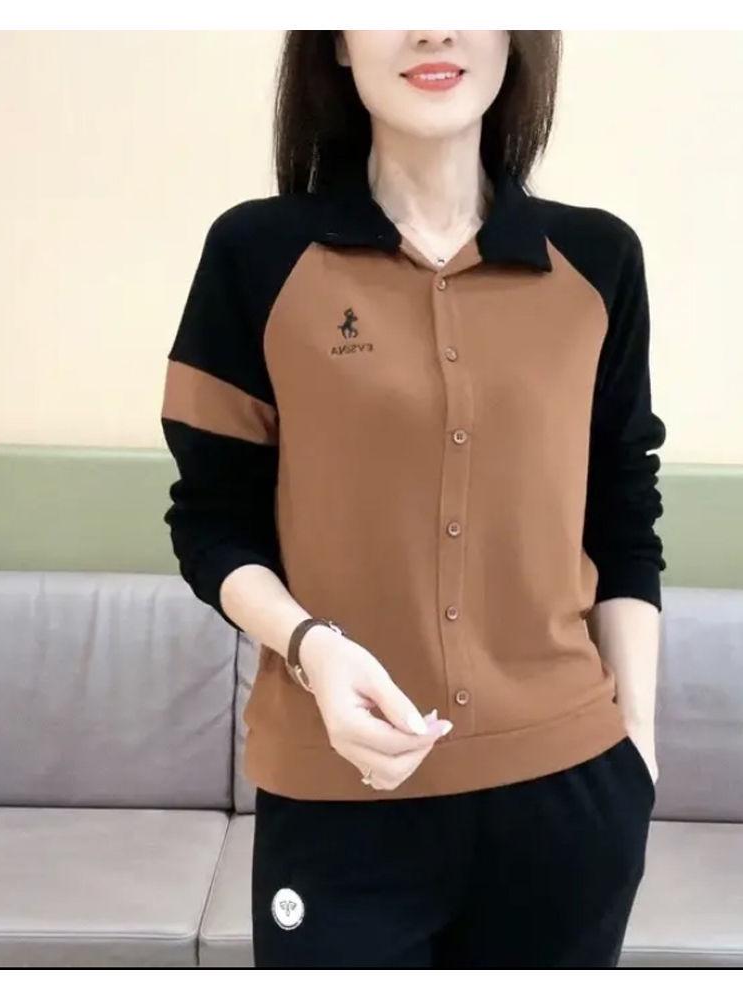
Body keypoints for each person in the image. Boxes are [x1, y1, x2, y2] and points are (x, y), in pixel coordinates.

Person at [160, 30, 665, 969]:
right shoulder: (256, 254)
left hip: (570, 798)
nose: (433, 27)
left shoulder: (598, 260)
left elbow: (625, 516)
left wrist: (637, 746)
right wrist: (313, 650)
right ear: (337, 44)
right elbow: (211, 523)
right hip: (337, 792)